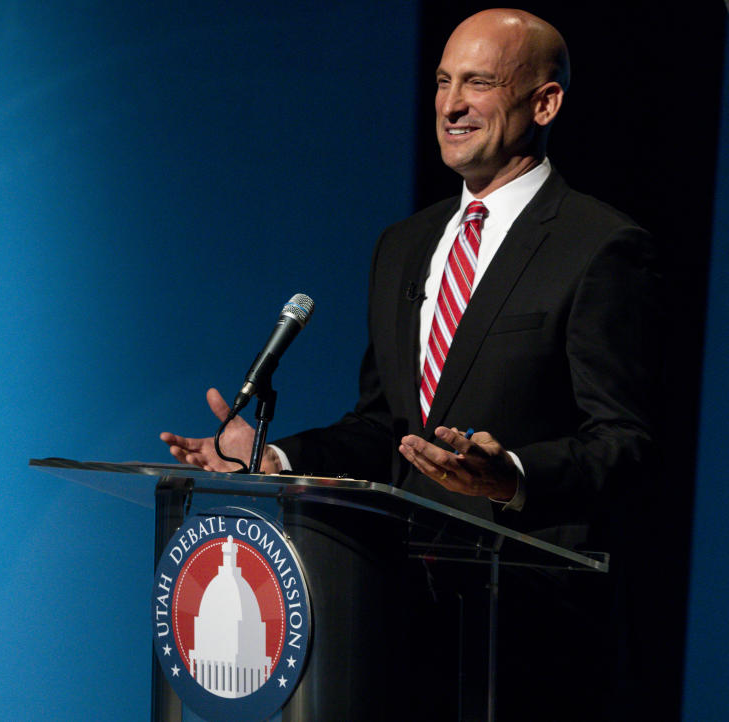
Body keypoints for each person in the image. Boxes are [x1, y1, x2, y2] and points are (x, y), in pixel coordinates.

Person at [161, 8, 659, 719]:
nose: (451, 105)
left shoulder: (600, 244)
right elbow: (385, 426)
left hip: (525, 630)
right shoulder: (405, 243)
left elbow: (625, 444)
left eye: (478, 83)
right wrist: (274, 456)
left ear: (543, 103)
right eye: (442, 81)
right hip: (394, 611)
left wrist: (509, 476)